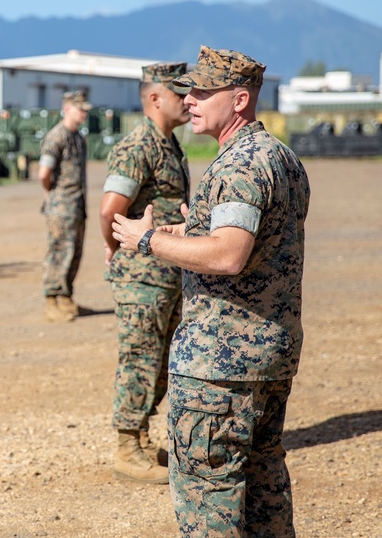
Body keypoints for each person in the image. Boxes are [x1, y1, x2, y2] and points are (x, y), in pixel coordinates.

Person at [111, 46, 311, 536]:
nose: (191, 99)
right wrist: (186, 235)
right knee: (265, 498)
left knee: (210, 504)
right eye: (188, 91)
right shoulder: (278, 156)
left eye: (203, 91)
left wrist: (150, 239)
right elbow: (254, 242)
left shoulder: (239, 164)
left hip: (220, 365)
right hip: (267, 355)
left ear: (239, 100)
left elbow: (228, 254)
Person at [99, 62, 192, 484]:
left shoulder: (168, 143)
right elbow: (110, 208)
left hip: (166, 273)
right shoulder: (138, 145)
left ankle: (139, 434)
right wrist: (115, 243)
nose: (189, 101)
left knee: (161, 363)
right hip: (143, 277)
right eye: (180, 94)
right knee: (140, 358)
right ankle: (125, 448)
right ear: (155, 98)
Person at [38, 90, 90, 322]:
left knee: (74, 252)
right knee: (59, 252)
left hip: (77, 204)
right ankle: (51, 301)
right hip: (61, 206)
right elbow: (44, 173)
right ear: (67, 108)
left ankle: (66, 297)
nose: (84, 114)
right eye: (81, 109)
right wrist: (53, 194)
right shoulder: (56, 136)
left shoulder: (78, 137)